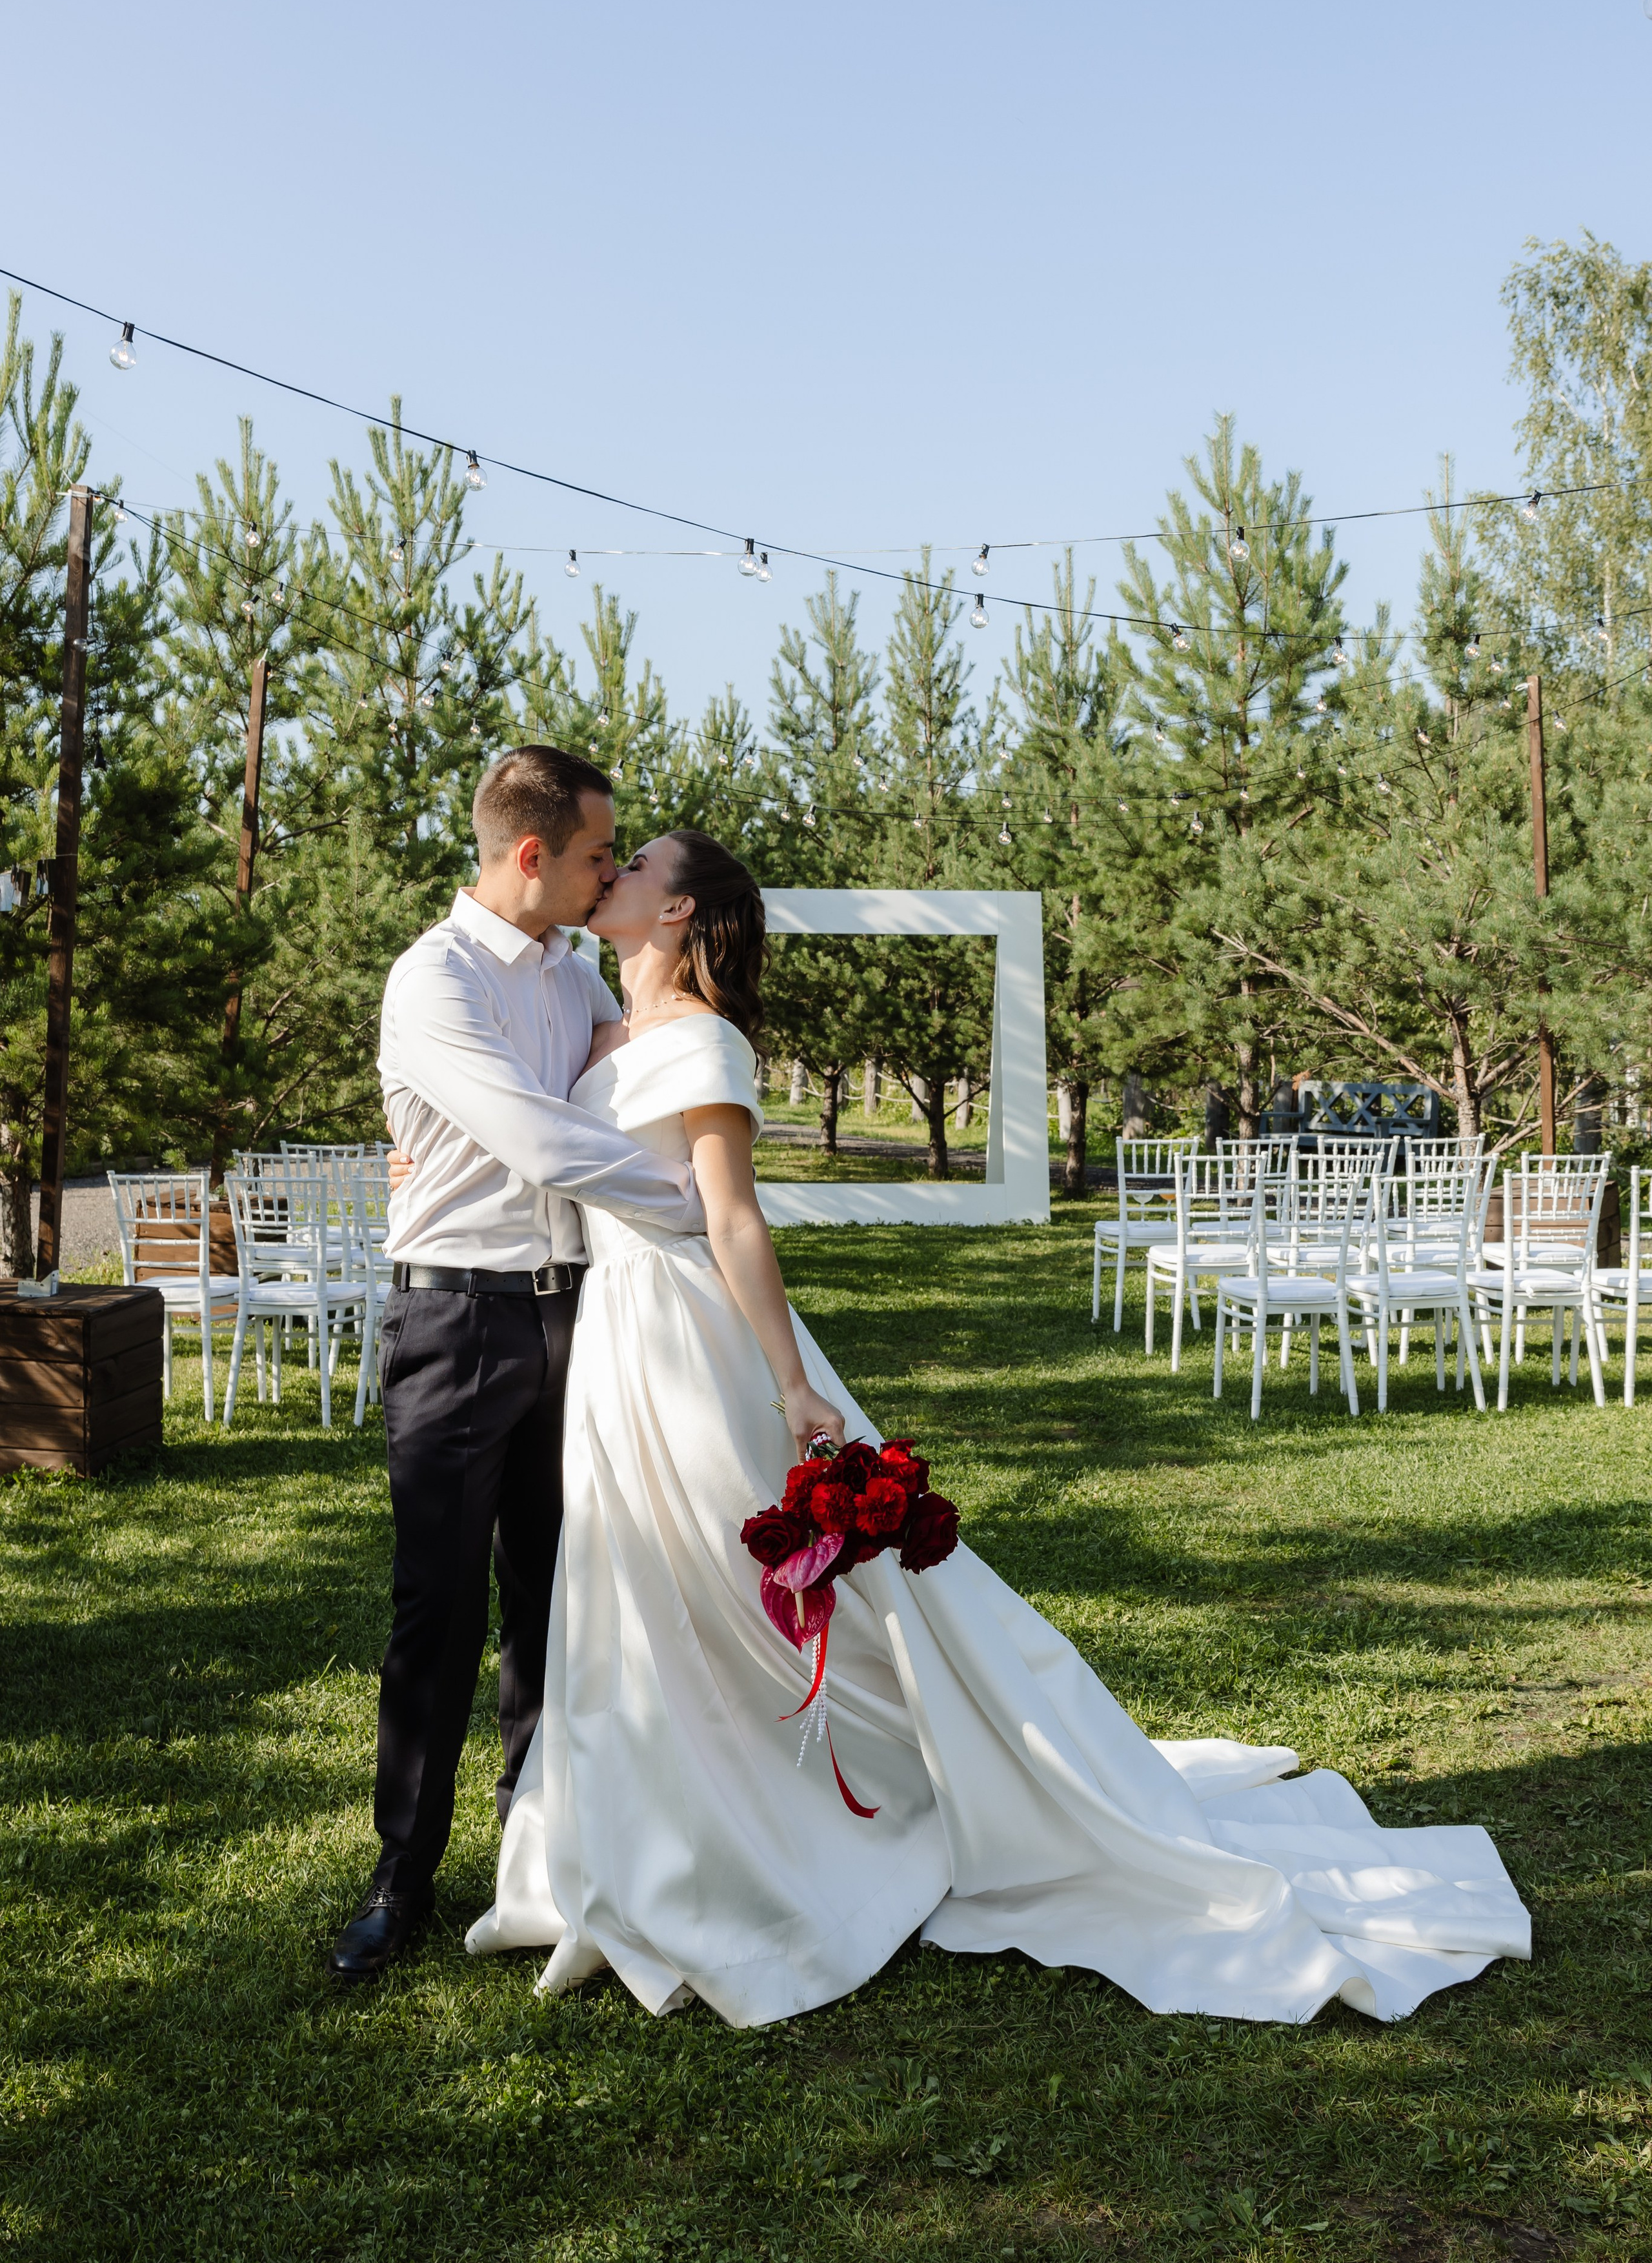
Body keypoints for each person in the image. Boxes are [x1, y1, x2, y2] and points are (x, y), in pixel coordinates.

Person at [458, 829, 1531, 2027]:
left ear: (677, 914)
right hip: (613, 1342)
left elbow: (737, 1224)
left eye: (637, 866)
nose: (612, 875)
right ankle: (660, 1827)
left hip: (695, 1339)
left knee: (733, 1581)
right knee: (642, 1589)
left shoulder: (706, 1044)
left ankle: (846, 1815)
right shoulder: (598, 1028)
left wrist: (792, 1384)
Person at [327, 747, 706, 1986]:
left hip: (579, 1315)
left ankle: (533, 1854)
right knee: (438, 1611)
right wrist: (703, 1207)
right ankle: (401, 1879)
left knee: (557, 1601)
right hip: (457, 1326)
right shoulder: (431, 981)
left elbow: (633, 1062)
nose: (610, 873)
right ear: (531, 854)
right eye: (600, 854)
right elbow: (545, 1139)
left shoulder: (576, 965)